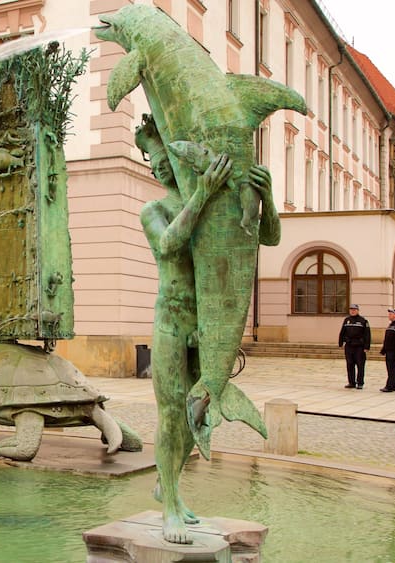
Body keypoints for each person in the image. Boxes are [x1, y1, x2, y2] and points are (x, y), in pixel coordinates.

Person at [136, 114, 276, 545]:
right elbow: (169, 244)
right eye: (153, 162)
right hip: (171, 322)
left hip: (206, 324)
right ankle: (171, 506)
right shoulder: (155, 209)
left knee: (200, 416)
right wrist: (201, 193)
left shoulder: (212, 200)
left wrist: (265, 198)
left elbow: (265, 238)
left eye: (165, 160)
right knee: (172, 413)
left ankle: (169, 484)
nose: (160, 168)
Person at [338, 304, 370, 389]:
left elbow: (367, 334)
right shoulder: (347, 320)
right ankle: (351, 382)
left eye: (354, 309)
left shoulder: (363, 320)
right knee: (350, 364)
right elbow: (342, 332)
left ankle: (360, 383)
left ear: (358, 310)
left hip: (359, 346)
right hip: (349, 345)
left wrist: (367, 346)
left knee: (360, 365)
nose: (352, 311)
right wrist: (341, 342)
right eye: (351, 309)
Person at [378, 308, 395, 392]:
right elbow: (387, 339)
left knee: (392, 369)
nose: (389, 315)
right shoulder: (391, 325)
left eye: (391, 314)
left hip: (394, 351)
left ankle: (389, 386)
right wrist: (384, 349)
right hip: (389, 350)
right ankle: (393, 385)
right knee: (390, 369)